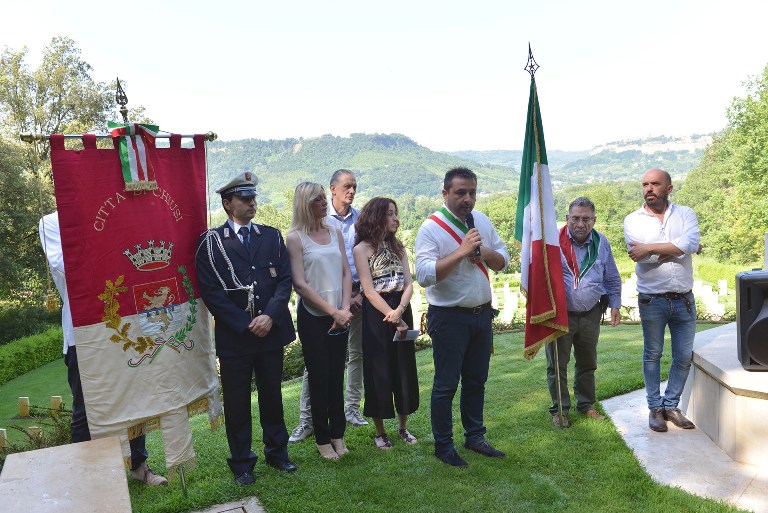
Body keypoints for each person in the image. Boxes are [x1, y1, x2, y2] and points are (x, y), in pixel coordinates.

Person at [39, 212, 168, 486]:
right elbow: (64, 269)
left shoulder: (108, 212)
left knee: (133, 401)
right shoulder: (51, 222)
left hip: (123, 327)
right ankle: (91, 477)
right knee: (85, 410)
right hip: (82, 334)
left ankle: (139, 466)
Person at [195, 172, 297, 485]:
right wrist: (245, 323)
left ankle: (278, 453)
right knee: (237, 403)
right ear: (227, 203)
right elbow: (210, 291)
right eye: (244, 198)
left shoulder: (272, 236)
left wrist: (268, 316)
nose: (252, 202)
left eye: (253, 197)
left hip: (271, 331)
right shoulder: (211, 243)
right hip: (236, 337)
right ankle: (242, 463)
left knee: (272, 396)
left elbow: (284, 280)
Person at [415, 167, 509, 467]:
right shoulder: (431, 227)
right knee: (445, 385)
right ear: (445, 193)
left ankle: (475, 436)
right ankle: (444, 445)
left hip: (482, 316)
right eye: (460, 193)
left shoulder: (480, 221)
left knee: (476, 381)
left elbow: (503, 259)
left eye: (472, 192)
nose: (468, 199)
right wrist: (461, 251)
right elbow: (425, 275)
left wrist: (484, 255)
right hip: (448, 317)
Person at [290, 169, 367, 443]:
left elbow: (347, 272)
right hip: (314, 317)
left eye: (324, 198)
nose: (325, 204)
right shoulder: (295, 238)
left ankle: (338, 437)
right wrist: (333, 311)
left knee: (336, 376)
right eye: (319, 200)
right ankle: (322, 439)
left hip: (340, 314)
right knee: (319, 378)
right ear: (306, 204)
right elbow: (300, 284)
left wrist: (344, 309)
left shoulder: (334, 231)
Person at [624, 168, 701, 433]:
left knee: (683, 356)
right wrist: (676, 248)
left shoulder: (686, 214)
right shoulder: (633, 220)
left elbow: (690, 242)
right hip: (652, 300)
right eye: (645, 184)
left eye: (655, 184)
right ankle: (655, 409)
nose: (649, 188)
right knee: (652, 355)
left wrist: (652, 247)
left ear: (669, 188)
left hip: (684, 300)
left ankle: (671, 406)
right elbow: (640, 256)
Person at [547, 197, 622, 428]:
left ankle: (586, 404)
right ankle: (560, 409)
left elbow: (611, 277)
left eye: (586, 219)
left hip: (591, 313)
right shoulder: (553, 242)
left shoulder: (602, 242)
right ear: (567, 218)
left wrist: (615, 305)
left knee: (588, 362)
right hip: (560, 315)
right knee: (557, 365)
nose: (580, 223)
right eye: (576, 218)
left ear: (594, 220)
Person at [352, 197, 419, 449]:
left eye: (396, 213)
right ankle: (380, 432)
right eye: (390, 214)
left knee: (404, 369)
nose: (396, 219)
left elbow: (409, 283)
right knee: (378, 370)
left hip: (401, 308)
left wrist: (400, 311)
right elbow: (368, 291)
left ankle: (403, 427)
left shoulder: (399, 247)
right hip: (376, 315)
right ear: (377, 217)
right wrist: (391, 314)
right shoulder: (361, 249)